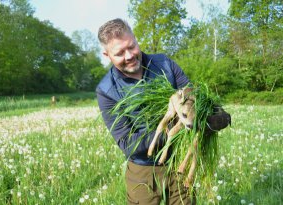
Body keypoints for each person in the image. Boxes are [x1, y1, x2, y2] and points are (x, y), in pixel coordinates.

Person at [96, 18, 230, 205]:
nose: (129, 56)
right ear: (106, 55)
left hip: (179, 163)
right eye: (119, 53)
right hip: (143, 171)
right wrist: (170, 133)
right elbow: (127, 142)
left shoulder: (165, 64)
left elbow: (192, 99)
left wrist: (212, 117)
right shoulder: (106, 90)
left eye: (131, 47)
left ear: (136, 39)